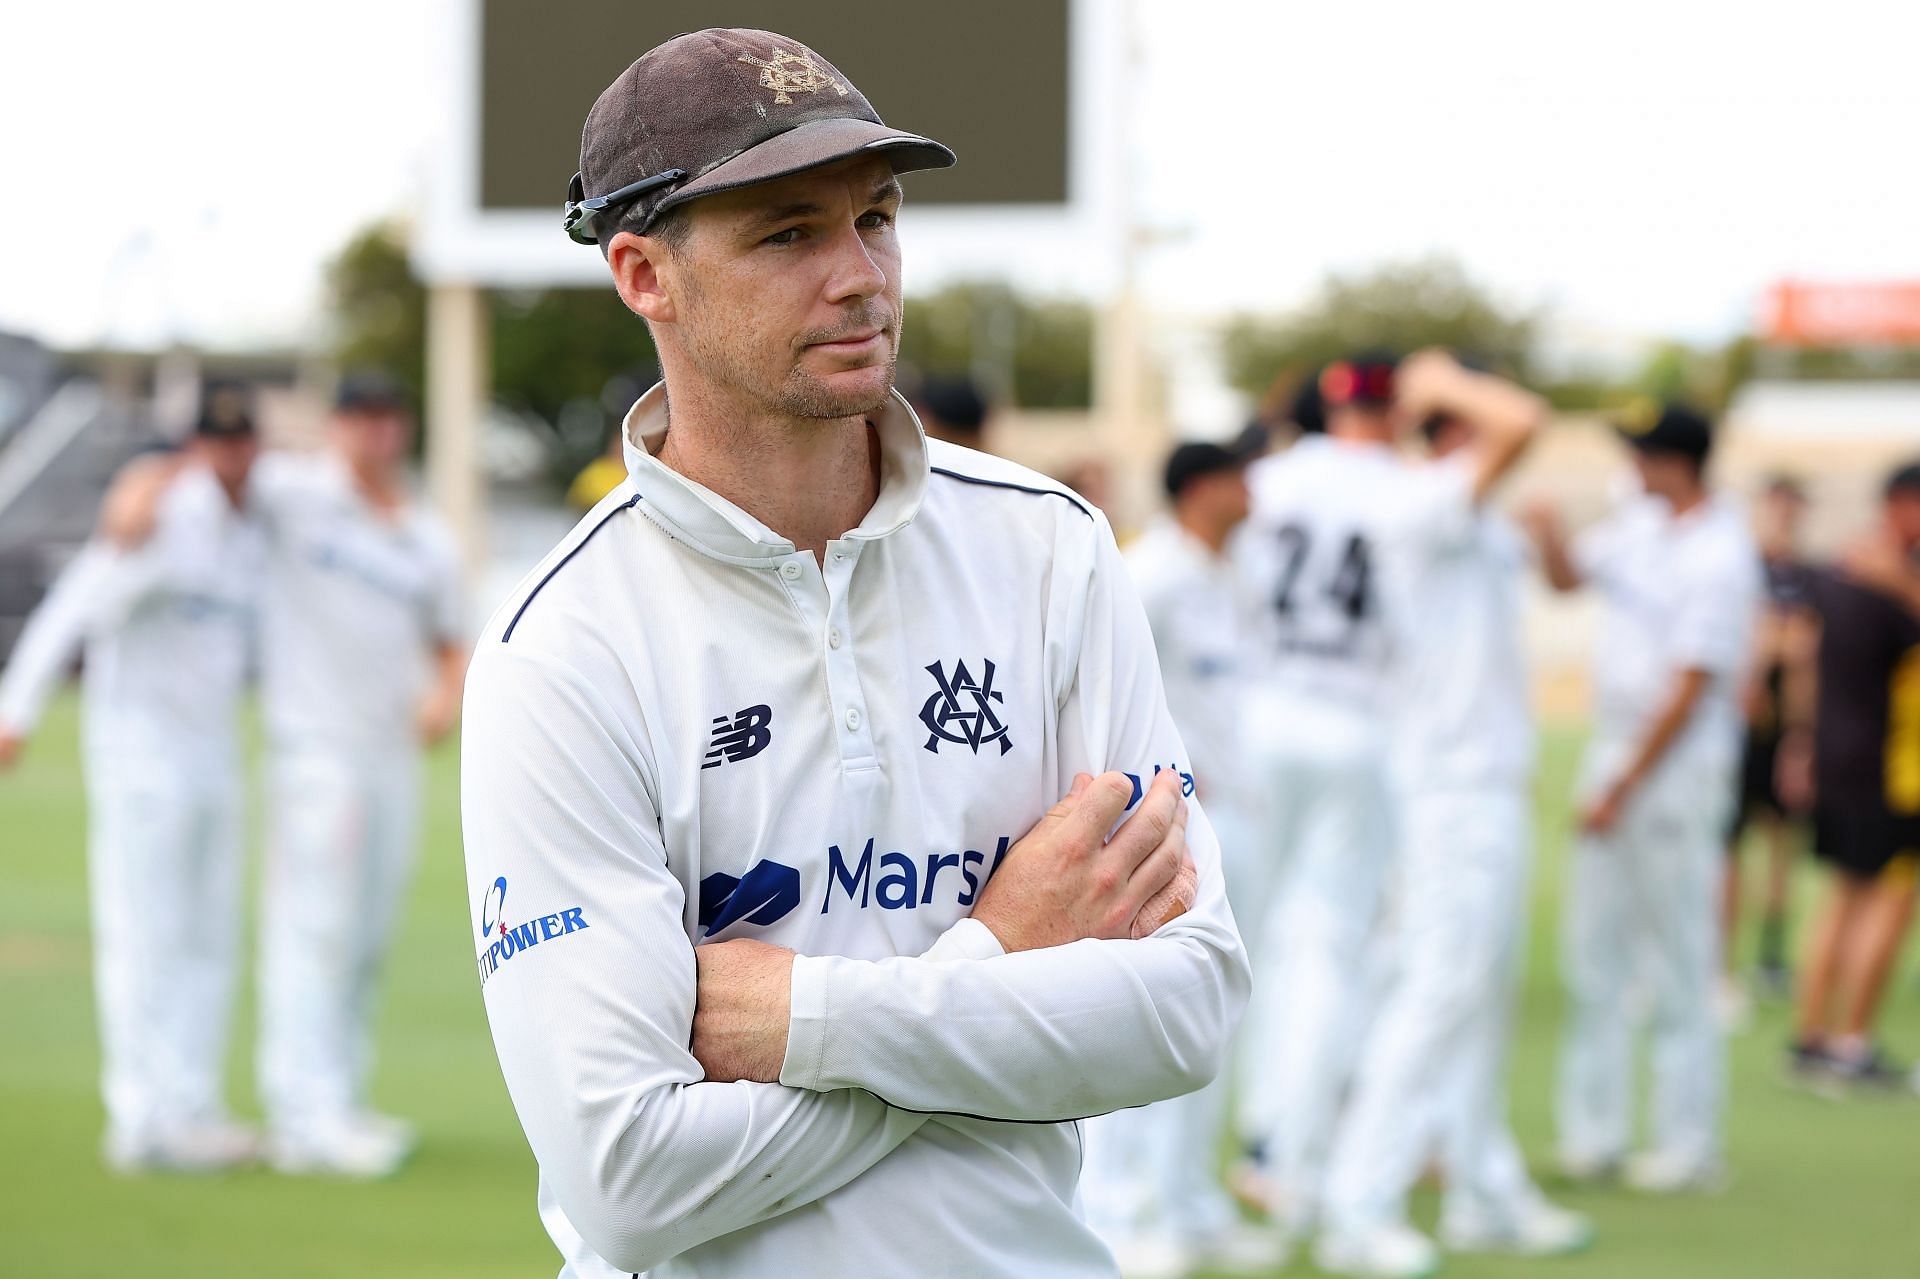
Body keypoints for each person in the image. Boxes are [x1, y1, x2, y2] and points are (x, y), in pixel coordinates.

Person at [461, 29, 1247, 1279]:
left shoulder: (1052, 549)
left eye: (875, 218)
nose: (862, 276)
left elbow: (1187, 1009)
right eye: (788, 234)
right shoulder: (560, 638)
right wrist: (1003, 964)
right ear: (643, 274)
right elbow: (625, 1179)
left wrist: (809, 1018)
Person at [103, 373, 469, 1176]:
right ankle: (305, 1115)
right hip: (315, 750)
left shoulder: (423, 533)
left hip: (391, 753)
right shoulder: (296, 494)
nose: (372, 436)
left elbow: (451, 636)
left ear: (401, 428)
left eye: (385, 420)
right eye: (358, 420)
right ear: (339, 427)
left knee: (367, 933)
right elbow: (208, 462)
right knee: (316, 930)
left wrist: (446, 695)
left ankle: (339, 1094)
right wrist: (140, 484)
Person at [1313, 356, 1590, 1278]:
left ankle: (1483, 1188)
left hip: (1484, 779)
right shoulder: (1418, 502)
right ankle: (1359, 1202)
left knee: (1481, 990)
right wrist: (1440, 381)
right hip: (1448, 785)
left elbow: (1555, 572)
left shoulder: (1460, 513)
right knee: (1437, 985)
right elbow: (1524, 414)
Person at [0, 399, 264, 1172]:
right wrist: (14, 710)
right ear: (192, 451)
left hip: (214, 752)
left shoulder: (252, 523)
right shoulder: (160, 514)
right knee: (146, 933)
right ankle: (141, 1117)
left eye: (241, 440)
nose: (232, 457)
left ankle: (192, 1105)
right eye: (216, 443)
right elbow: (71, 607)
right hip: (141, 757)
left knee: (209, 935)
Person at [1526, 401, 1761, 1193]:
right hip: (1616, 744)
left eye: (1645, 454)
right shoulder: (1639, 527)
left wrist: (1622, 785)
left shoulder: (1720, 553)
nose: (1633, 466)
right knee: (1596, 950)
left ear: (1677, 462)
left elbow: (1692, 685)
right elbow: (1566, 579)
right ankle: (1593, 1131)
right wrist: (1546, 530)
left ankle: (1687, 1141)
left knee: (1677, 954)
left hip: (1676, 763)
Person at [1227, 353, 1415, 1236]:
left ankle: (1190, 1161)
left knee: (1232, 940)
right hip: (1358, 726)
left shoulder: (1269, 477)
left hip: (1260, 716)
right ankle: (1280, 1144)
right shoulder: (1413, 487)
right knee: (1327, 949)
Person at [1081, 439, 1277, 1277]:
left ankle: (1191, 1198)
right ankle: (1126, 1212)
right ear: (1202, 488)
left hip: (1237, 817)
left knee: (1221, 1017)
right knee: (1151, 1015)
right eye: (1239, 474)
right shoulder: (1148, 573)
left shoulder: (1230, 574)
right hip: (1167, 826)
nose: (1253, 488)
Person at [1777, 461, 1920, 1091]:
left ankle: (1812, 1039)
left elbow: (1803, 656)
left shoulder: (1836, 569)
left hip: (1840, 754)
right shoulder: (1891, 575)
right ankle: (1849, 1042)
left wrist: (1801, 741)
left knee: (1842, 896)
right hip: (1889, 767)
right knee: (1885, 899)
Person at [1723, 474, 1813, 1013]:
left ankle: (1772, 956)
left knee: (1782, 847)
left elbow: (1801, 645)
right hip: (1742, 729)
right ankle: (1721, 964)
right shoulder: (1740, 566)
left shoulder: (1805, 575)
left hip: (1784, 729)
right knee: (1729, 848)